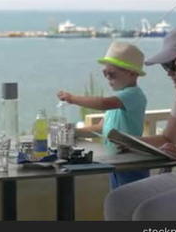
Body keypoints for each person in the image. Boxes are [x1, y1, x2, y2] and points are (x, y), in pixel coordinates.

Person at [104, 26, 176, 220]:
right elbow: (169, 138)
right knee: (117, 200)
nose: (168, 73)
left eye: (172, 65)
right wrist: (131, 142)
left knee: (148, 213)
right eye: (164, 66)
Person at [58, 42, 148, 189]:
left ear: (132, 73)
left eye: (111, 74)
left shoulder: (133, 95)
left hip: (132, 160)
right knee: (118, 201)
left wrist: (72, 99)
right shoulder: (119, 98)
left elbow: (103, 103)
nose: (107, 78)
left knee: (130, 200)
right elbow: (102, 127)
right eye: (104, 73)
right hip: (117, 160)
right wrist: (75, 132)